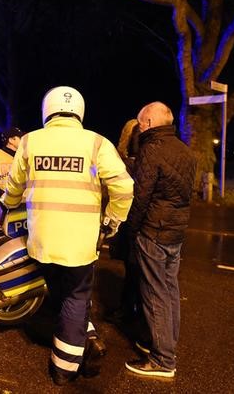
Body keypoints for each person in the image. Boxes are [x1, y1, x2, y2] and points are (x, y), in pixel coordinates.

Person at [2, 86, 134, 386]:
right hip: (80, 243)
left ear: (47, 110)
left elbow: (14, 186)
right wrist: (113, 219)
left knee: (60, 293)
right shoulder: (96, 143)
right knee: (76, 297)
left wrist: (6, 206)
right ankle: (64, 368)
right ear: (80, 111)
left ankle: (83, 337)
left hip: (42, 240)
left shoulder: (29, 141)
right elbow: (124, 187)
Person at [123, 102, 196, 379]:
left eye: (142, 123)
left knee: (154, 294)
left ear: (151, 122)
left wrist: (132, 231)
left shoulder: (151, 150)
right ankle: (167, 345)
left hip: (153, 231)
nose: (140, 128)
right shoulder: (186, 152)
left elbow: (140, 197)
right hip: (175, 232)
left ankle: (163, 360)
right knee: (169, 290)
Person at [106, 118, 142, 325]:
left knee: (134, 269)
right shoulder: (142, 160)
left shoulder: (123, 163)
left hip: (131, 221)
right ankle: (129, 308)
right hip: (136, 221)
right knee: (134, 269)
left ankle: (128, 310)